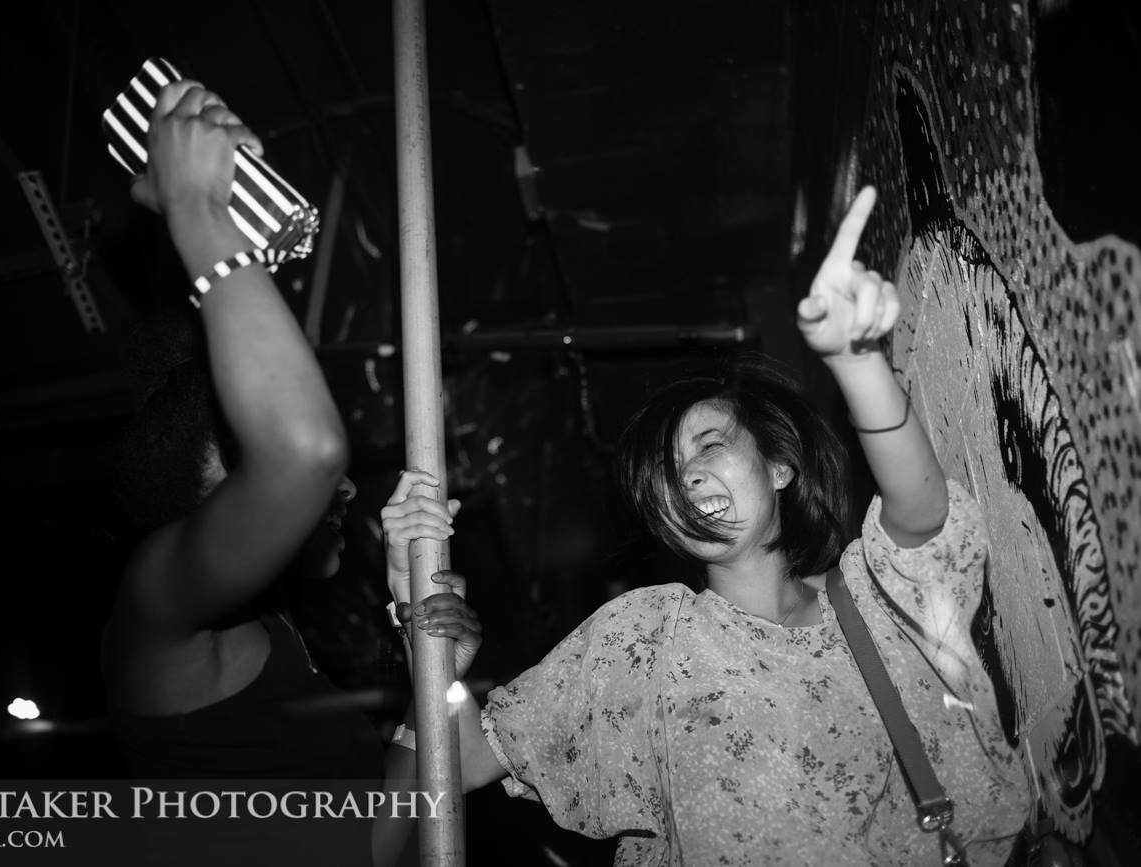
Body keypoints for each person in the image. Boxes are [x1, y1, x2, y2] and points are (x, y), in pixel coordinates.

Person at [391, 187, 1031, 865]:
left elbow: (921, 511)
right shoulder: (640, 643)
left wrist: (856, 361)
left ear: (780, 467)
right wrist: (432, 658)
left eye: (710, 446)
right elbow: (454, 764)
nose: (688, 476)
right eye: (667, 473)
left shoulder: (870, 599)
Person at [100, 79, 479, 866]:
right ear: (200, 486)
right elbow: (303, 450)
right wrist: (197, 211)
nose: (344, 490)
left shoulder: (273, 633)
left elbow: (374, 842)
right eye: (250, 449)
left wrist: (431, 676)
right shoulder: (156, 611)